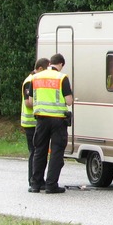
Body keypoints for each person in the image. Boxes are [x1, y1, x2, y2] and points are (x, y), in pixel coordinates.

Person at [30, 53, 73, 193]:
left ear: (50, 63)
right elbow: (69, 101)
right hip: (58, 120)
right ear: (60, 64)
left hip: (41, 119)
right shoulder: (62, 78)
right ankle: (51, 185)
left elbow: (30, 101)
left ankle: (36, 184)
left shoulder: (36, 77)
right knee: (56, 152)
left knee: (39, 151)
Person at [21, 57, 50, 188]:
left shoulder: (36, 79)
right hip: (31, 122)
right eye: (45, 70)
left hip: (37, 122)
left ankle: (38, 180)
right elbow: (28, 102)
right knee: (35, 152)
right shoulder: (30, 81)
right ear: (39, 69)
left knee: (40, 152)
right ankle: (33, 180)